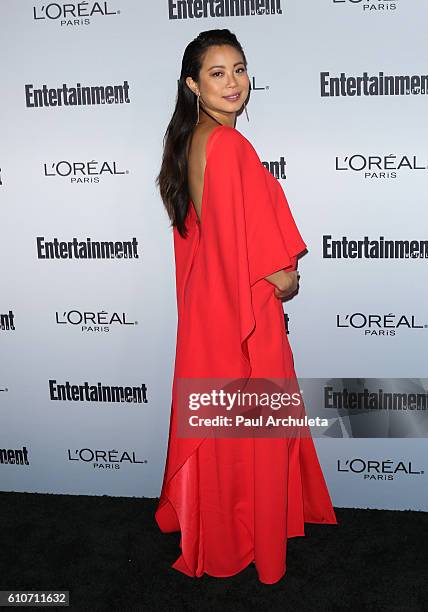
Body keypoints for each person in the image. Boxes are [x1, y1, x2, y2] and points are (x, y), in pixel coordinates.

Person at [154, 28, 337, 585]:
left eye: (239, 69)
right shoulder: (231, 147)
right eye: (217, 73)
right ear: (193, 85)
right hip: (247, 316)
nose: (233, 83)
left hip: (212, 311)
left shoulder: (191, 142)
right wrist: (283, 277)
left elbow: (210, 244)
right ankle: (251, 541)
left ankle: (223, 526)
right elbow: (276, 270)